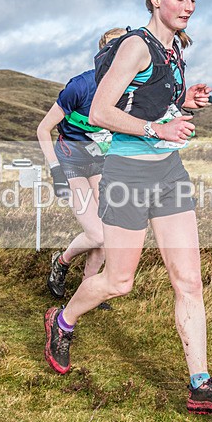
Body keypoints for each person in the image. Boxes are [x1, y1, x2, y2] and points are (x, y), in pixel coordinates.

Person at [44, 0, 212, 416]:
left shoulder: (174, 49)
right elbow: (99, 112)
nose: (189, 7)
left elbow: (151, 103)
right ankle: (62, 320)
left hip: (168, 174)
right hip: (127, 176)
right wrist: (159, 128)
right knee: (118, 282)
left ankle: (201, 385)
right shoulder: (136, 45)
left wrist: (184, 103)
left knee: (189, 280)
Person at [36, 28, 126, 301]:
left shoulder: (129, 91)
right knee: (97, 234)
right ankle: (61, 263)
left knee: (108, 231)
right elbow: (43, 129)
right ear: (102, 55)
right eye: (114, 49)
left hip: (99, 161)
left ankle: (89, 289)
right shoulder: (81, 86)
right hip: (70, 157)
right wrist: (55, 171)